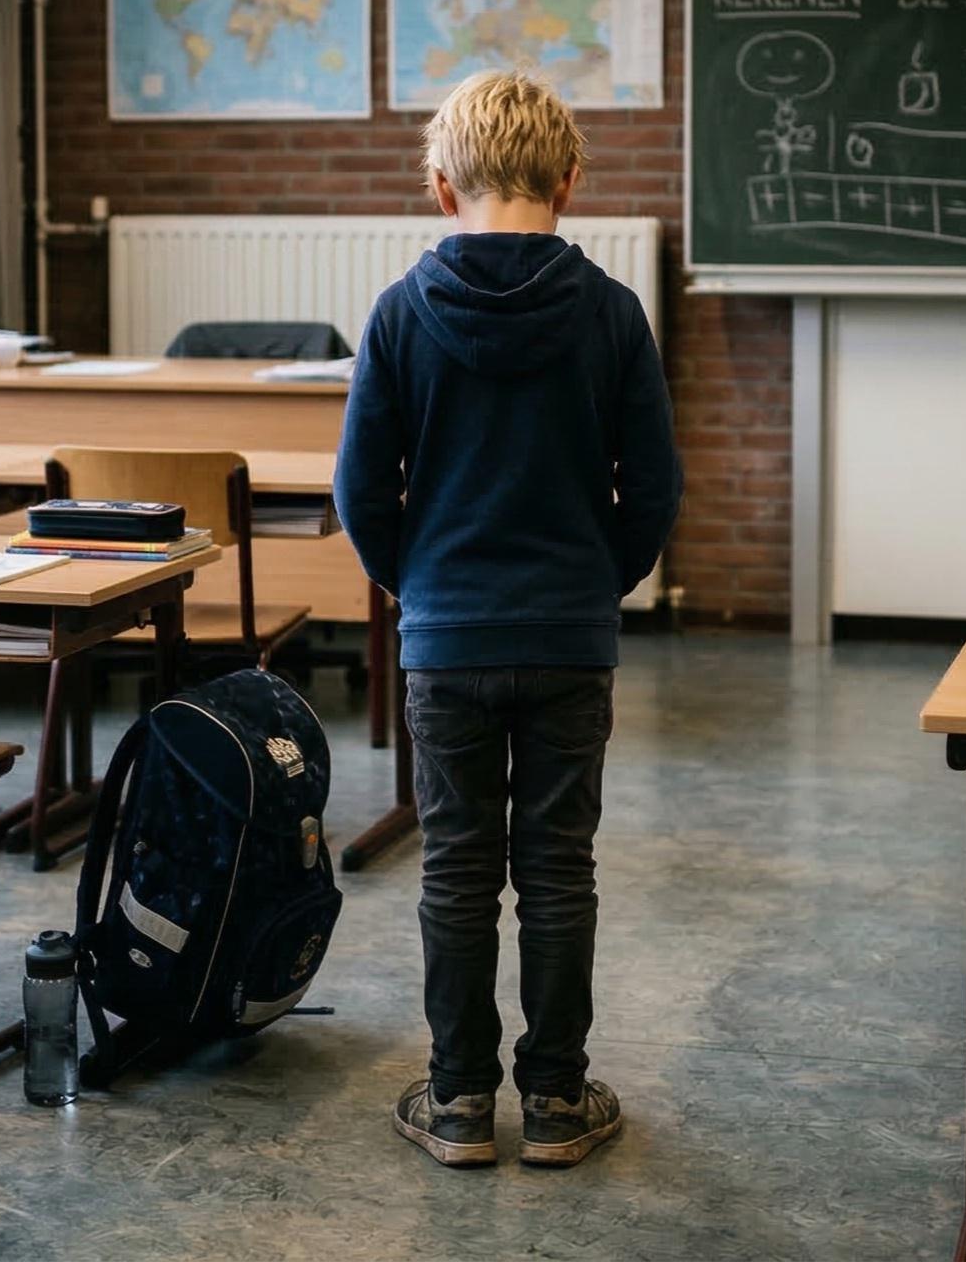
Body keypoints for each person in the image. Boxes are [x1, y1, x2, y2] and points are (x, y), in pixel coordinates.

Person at [336, 69, 683, 1172]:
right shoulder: (614, 314)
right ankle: (556, 1101)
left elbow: (360, 491)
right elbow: (656, 487)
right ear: (570, 183)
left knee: (454, 870)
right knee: (558, 871)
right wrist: (598, 583)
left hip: (446, 638)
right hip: (569, 640)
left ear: (443, 189)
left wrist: (419, 588)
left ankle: (455, 1101)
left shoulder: (400, 313)